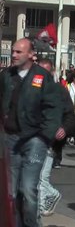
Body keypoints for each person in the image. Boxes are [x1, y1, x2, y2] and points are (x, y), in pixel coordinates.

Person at [0, 38, 62, 227]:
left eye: (19, 52)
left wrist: (45, 136)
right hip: (11, 139)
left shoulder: (42, 77)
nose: (14, 55)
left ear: (30, 54)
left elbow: (53, 108)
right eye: (13, 51)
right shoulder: (6, 76)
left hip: (35, 140)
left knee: (28, 189)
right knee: (11, 192)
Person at [37, 58, 75, 215]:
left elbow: (70, 116)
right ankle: (40, 205)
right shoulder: (31, 89)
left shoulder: (59, 91)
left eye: (46, 71)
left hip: (50, 141)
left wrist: (64, 129)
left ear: (52, 72)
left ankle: (48, 197)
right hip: (33, 139)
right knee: (33, 177)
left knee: (41, 177)